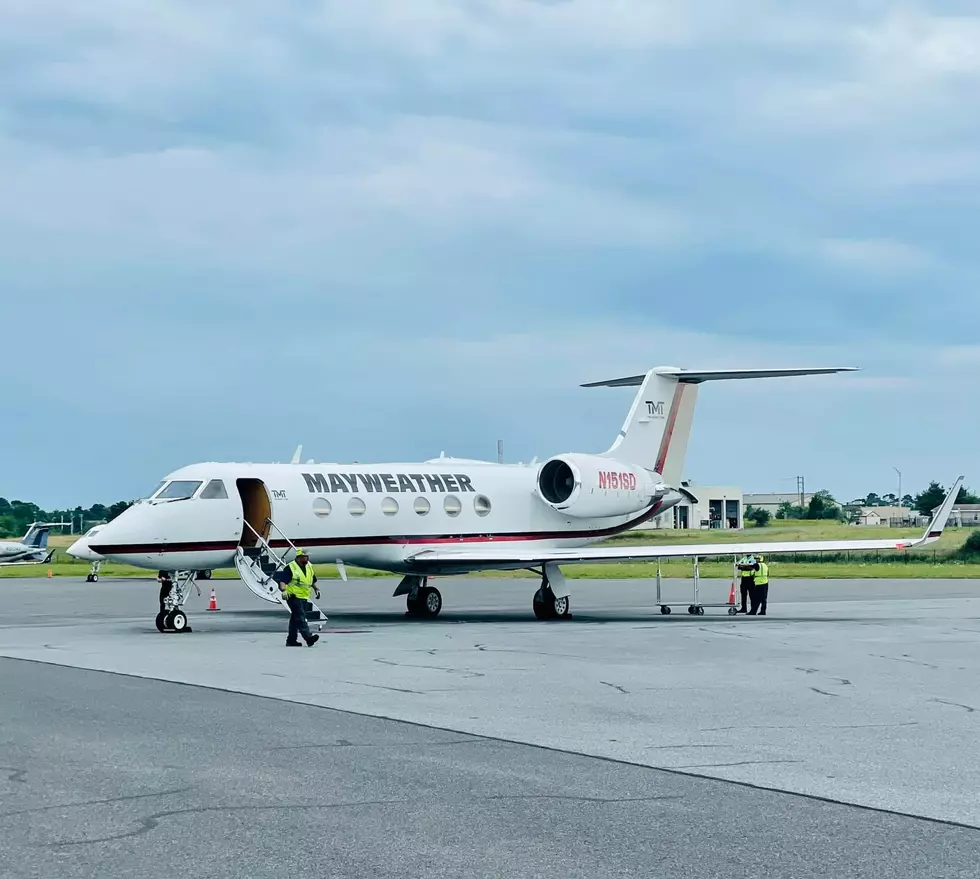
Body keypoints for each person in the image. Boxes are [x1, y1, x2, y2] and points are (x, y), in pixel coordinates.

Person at [275, 549, 321, 647]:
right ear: (299, 557)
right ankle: (308, 638)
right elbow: (283, 581)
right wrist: (284, 591)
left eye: (307, 557)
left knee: (295, 619)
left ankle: (291, 640)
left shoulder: (309, 566)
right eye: (305, 557)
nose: (307, 558)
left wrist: (316, 589)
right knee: (300, 617)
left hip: (304, 596)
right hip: (293, 596)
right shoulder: (291, 567)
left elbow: (313, 579)